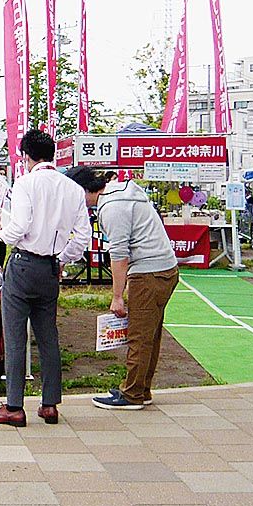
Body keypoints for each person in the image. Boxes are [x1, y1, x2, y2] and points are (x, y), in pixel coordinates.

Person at [0, 130, 91, 427]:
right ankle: (50, 404)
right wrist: (62, 258)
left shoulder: (25, 184)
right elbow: (83, 238)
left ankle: (14, 406)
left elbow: (19, 227)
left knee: (16, 337)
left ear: (26, 156)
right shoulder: (72, 189)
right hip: (50, 269)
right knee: (48, 336)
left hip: (23, 264)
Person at [67, 168, 180, 410]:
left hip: (148, 273)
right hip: (165, 270)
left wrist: (117, 297)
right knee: (149, 334)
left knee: (138, 336)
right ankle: (140, 388)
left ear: (82, 191)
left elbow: (119, 255)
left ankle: (131, 395)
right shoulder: (122, 191)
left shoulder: (112, 208)